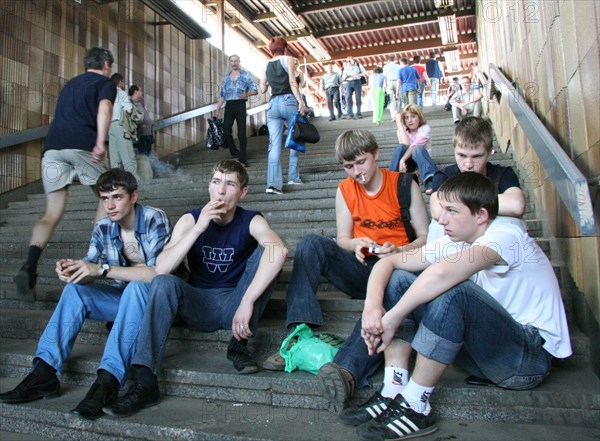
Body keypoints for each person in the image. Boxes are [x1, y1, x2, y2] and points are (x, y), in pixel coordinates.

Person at [346, 172, 571, 440]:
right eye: (443, 210)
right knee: (400, 280)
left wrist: (391, 319)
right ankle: (395, 388)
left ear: (481, 215)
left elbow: (442, 274)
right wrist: (371, 307)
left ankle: (417, 404)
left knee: (455, 290)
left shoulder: (506, 234)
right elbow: (388, 263)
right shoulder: (457, 240)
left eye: (452, 211)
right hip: (486, 352)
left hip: (528, 359)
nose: (441, 220)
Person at [101, 160, 287, 418]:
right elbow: (162, 268)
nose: (221, 191)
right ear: (209, 187)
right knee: (164, 282)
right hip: (197, 302)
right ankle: (145, 381)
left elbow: (280, 251)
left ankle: (238, 345)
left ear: (242, 192)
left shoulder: (250, 219)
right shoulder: (191, 218)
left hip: (236, 303)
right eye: (215, 182)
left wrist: (247, 301)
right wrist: (200, 227)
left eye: (230, 184)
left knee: (269, 253)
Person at [0, 169, 172, 421]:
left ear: (133, 196)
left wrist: (100, 269)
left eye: (117, 197)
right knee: (75, 290)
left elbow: (159, 273)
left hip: (156, 303)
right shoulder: (103, 227)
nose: (110, 205)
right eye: (104, 199)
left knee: (137, 287)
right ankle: (45, 373)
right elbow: (91, 266)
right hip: (122, 301)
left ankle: (107, 380)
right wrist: (75, 269)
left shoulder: (154, 218)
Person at [262, 130, 430, 390]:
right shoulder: (345, 189)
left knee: (395, 283)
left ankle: (347, 370)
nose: (356, 172)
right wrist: (356, 244)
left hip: (398, 270)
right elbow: (342, 238)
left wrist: (398, 251)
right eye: (348, 166)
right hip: (361, 269)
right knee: (310, 244)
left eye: (361, 162)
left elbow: (425, 237)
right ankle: (299, 332)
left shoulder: (404, 184)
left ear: (376, 154)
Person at [14, 47, 116, 300]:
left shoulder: (70, 84)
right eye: (110, 65)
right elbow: (104, 109)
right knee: (107, 196)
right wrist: (100, 142)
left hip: (52, 148)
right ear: (105, 63)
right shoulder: (105, 82)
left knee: (51, 213)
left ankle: (29, 265)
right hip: (82, 144)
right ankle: (94, 257)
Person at [427, 116, 526, 241]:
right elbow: (438, 211)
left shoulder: (502, 174)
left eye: (477, 156)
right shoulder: (444, 176)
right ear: (454, 149)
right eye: (462, 155)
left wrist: (456, 205)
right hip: (457, 244)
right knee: (438, 226)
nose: (468, 164)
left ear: (489, 151)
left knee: (512, 222)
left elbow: (516, 205)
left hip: (492, 242)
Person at [259, 36, 307, 195]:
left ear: (270, 50)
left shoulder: (265, 64)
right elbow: (293, 82)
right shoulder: (289, 60)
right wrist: (300, 101)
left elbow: (262, 89)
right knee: (295, 137)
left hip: (273, 105)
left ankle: (273, 184)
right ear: (285, 48)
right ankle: (293, 176)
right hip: (288, 101)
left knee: (274, 145)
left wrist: (268, 82)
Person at [215, 54, 258, 168]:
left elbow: (255, 90)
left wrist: (246, 94)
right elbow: (222, 96)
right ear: (230, 62)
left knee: (241, 132)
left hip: (240, 104)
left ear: (239, 62)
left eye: (236, 61)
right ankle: (235, 153)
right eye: (232, 61)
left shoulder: (245, 75)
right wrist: (217, 110)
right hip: (229, 105)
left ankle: (243, 159)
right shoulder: (226, 78)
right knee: (226, 130)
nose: (234, 63)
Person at [389, 104, 437, 195]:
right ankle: (390, 179)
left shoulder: (425, 128)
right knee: (400, 147)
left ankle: (430, 182)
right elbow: (405, 145)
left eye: (413, 116)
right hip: (409, 163)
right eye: (406, 118)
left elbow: (414, 146)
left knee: (417, 148)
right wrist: (399, 123)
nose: (410, 120)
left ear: (419, 117)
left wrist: (402, 159)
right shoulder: (402, 131)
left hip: (423, 162)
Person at [129, 85, 154, 157]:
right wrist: (145, 122)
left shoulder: (139, 104)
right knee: (141, 156)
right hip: (139, 135)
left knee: (147, 156)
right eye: (141, 90)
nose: (142, 92)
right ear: (136, 92)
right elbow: (134, 118)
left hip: (147, 134)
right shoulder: (130, 103)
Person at [382, 55, 401, 121]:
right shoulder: (398, 66)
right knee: (397, 99)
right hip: (397, 82)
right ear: (395, 59)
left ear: (388, 60)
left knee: (391, 100)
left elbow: (384, 77)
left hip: (389, 82)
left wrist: (384, 85)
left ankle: (394, 116)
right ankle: (398, 115)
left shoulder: (386, 66)